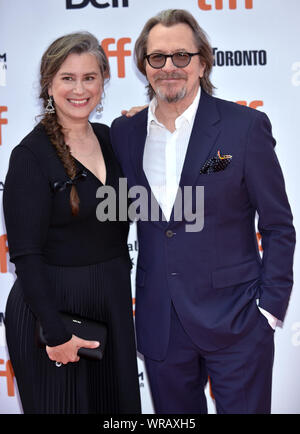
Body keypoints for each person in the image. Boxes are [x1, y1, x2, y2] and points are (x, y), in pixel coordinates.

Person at [111, 9, 296, 414]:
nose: (169, 67)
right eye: (157, 57)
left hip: (238, 322)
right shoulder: (124, 133)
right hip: (161, 325)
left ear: (202, 61)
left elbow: (279, 224)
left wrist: (269, 310)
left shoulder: (243, 127)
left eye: (181, 55)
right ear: (144, 66)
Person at [3, 32, 141, 414]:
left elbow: (184, 171)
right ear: (49, 83)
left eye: (90, 77)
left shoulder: (114, 139)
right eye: (68, 78)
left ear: (103, 82)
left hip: (110, 304)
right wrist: (55, 332)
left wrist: (144, 128)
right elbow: (26, 257)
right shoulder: (30, 156)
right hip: (54, 313)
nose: (79, 89)